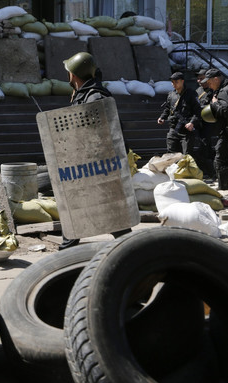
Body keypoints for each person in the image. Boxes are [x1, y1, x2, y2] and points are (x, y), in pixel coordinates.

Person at [58, 52, 131, 250]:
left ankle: (128, 247)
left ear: (73, 74)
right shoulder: (84, 94)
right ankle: (69, 246)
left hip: (97, 164)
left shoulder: (95, 97)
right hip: (87, 163)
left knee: (109, 212)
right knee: (81, 208)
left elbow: (108, 131)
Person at [157, 72, 201, 156]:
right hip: (173, 129)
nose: (174, 84)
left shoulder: (191, 94)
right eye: (172, 82)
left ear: (182, 81)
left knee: (187, 155)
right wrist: (162, 117)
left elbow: (197, 111)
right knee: (171, 154)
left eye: (176, 82)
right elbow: (168, 108)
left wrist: (192, 123)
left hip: (186, 130)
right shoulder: (171, 95)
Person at [194, 68, 216, 177]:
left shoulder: (213, 91)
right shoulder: (198, 91)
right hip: (198, 123)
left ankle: (211, 172)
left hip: (209, 123)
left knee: (205, 147)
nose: (199, 81)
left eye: (201, 79)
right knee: (202, 147)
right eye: (198, 79)